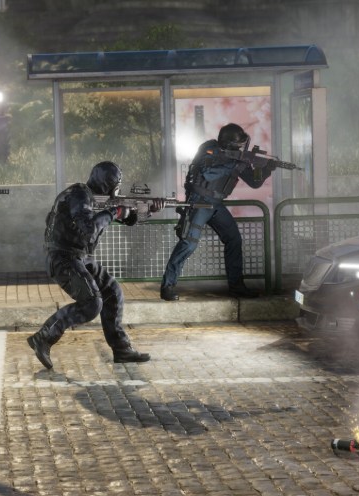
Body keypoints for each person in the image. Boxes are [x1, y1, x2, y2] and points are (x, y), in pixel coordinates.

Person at [27, 161, 152, 370]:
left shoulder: (92, 198)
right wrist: (115, 212)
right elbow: (89, 229)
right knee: (92, 303)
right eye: (116, 185)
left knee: (113, 292)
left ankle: (121, 349)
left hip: (80, 256)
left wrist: (141, 211)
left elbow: (126, 218)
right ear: (107, 185)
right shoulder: (79, 195)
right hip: (62, 257)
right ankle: (44, 337)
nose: (117, 190)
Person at [159, 123, 272, 301]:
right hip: (199, 202)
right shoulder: (209, 148)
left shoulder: (237, 159)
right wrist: (236, 163)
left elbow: (254, 182)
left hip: (216, 204)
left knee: (234, 239)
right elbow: (208, 173)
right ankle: (167, 286)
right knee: (189, 244)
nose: (240, 148)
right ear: (228, 144)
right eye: (238, 145)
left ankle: (237, 287)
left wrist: (266, 169)